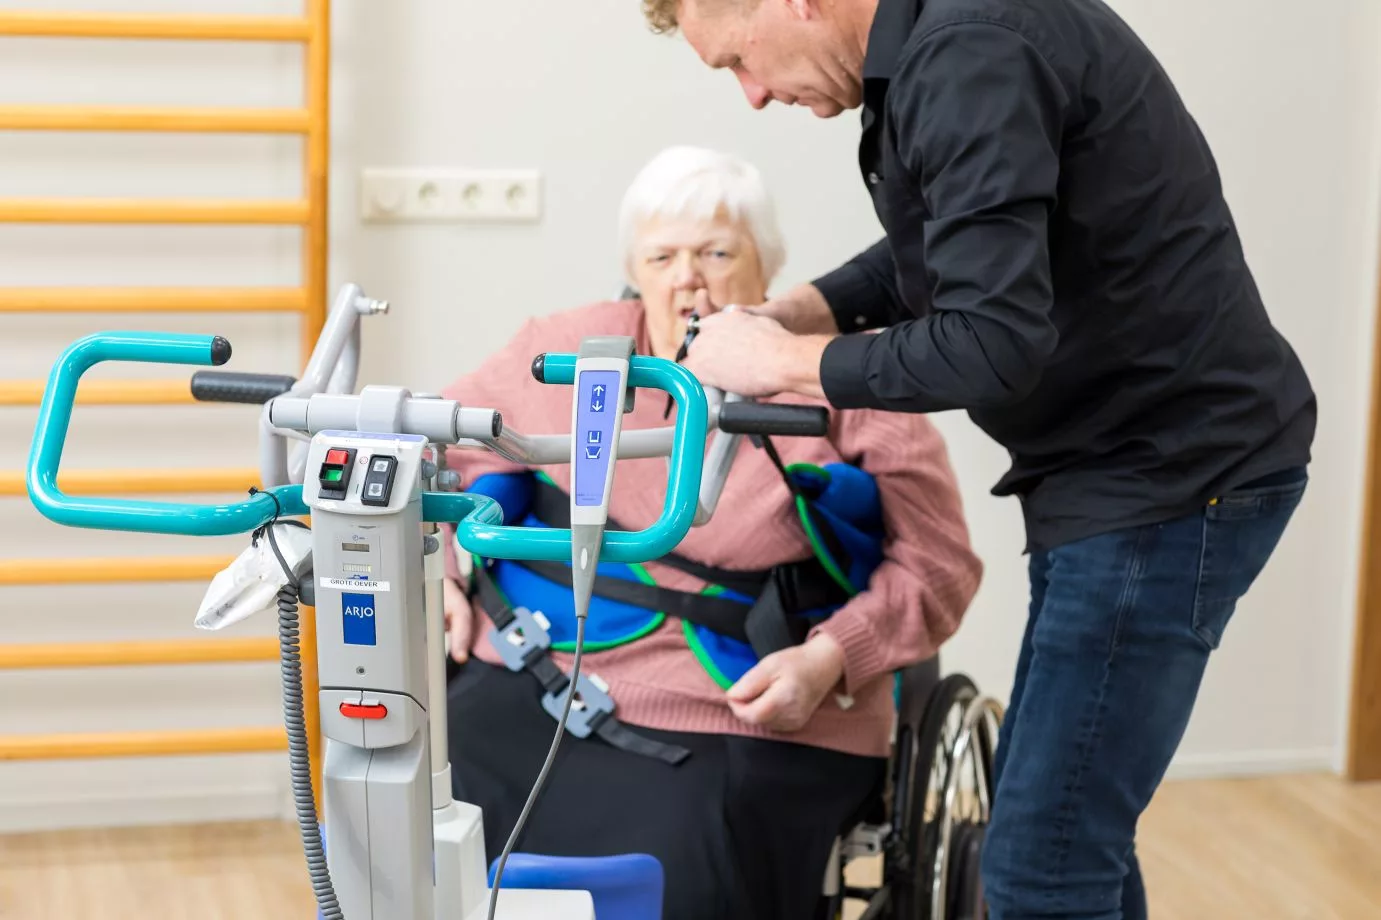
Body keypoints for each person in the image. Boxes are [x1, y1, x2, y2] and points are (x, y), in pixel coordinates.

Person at [642, 1, 1317, 918]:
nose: (752, 96)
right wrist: (797, 311)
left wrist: (784, 363)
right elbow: (951, 237)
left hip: (1168, 478)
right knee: (1072, 840)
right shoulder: (946, 41)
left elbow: (990, 342)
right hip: (1128, 471)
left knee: (1041, 864)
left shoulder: (970, 52)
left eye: (736, 61)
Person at [437, 145, 982, 920]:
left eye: (716, 252)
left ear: (769, 271)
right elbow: (439, 445)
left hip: (747, 706)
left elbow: (939, 566)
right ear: (635, 266)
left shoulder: (849, 382)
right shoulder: (564, 350)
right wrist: (444, 577)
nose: (686, 276)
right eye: (661, 255)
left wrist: (828, 662)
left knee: (681, 870)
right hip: (538, 674)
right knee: (420, 812)